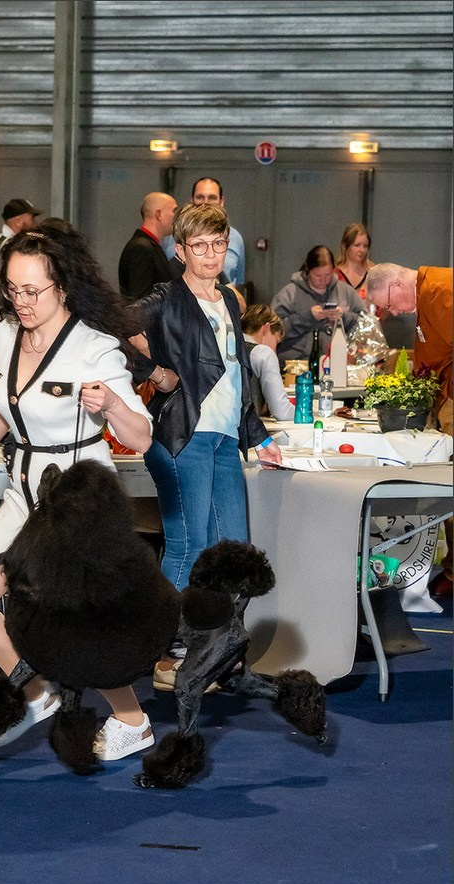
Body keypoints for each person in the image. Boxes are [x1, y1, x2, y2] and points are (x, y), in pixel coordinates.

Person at [0, 227, 157, 761]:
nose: (22, 301)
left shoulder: (95, 348)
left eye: (33, 290)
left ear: (62, 286)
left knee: (77, 625)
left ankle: (133, 721)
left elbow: (142, 436)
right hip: (23, 491)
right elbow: (1, 402)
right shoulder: (4, 335)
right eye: (13, 289)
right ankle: (38, 690)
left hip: (78, 501)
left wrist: (111, 405)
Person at [128, 203, 282, 691]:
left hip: (222, 441)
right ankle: (169, 653)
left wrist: (258, 438)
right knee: (187, 547)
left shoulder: (231, 300)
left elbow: (236, 375)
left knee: (232, 550)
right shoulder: (164, 296)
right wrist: (153, 372)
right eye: (200, 246)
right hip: (180, 436)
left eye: (219, 244)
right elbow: (110, 326)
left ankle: (212, 649)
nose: (211, 254)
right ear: (181, 250)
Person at [366, 262, 453, 599]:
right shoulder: (427, 297)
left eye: (388, 304)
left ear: (398, 282)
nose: (392, 311)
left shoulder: (442, 291)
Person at [270, 244, 366, 365]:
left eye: (328, 275)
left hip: (337, 363)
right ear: (307, 270)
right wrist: (307, 317)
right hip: (296, 364)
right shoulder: (289, 294)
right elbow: (272, 330)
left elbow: (367, 326)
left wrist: (344, 318)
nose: (323, 280)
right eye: (318, 276)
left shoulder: (346, 292)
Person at [117, 191, 178, 302]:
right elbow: (140, 299)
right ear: (159, 214)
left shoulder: (148, 246)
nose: (177, 217)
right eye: (174, 211)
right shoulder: (141, 249)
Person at [241, 305, 295, 421]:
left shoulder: (225, 345)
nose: (275, 350)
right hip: (248, 431)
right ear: (266, 328)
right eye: (276, 341)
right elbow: (282, 412)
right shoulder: (263, 353)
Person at [190, 177, 246, 286]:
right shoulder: (173, 239)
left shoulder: (235, 238)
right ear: (192, 200)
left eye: (212, 198)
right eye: (200, 197)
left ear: (221, 202)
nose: (205, 203)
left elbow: (238, 282)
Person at [0, 198, 40, 291]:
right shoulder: (1, 246)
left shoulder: (12, 243)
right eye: (32, 219)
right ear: (18, 221)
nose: (36, 224)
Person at [335, 222, 375, 302]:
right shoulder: (334, 274)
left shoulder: (374, 274)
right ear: (344, 246)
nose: (362, 250)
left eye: (365, 246)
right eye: (357, 245)